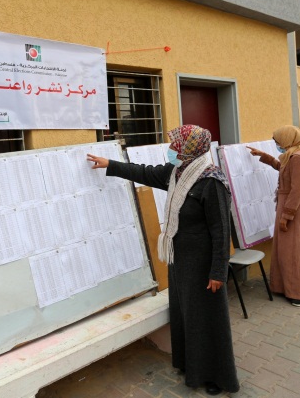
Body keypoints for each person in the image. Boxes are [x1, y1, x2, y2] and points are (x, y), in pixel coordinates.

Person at [86, 125, 239, 396]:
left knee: (206, 319)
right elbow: (144, 172)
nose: (171, 150)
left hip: (203, 265)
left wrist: (218, 271)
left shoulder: (211, 181)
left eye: (175, 146)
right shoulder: (177, 173)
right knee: (185, 315)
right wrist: (110, 164)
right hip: (180, 261)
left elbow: (221, 232)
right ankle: (189, 364)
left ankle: (216, 375)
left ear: (189, 149)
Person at [247, 126, 300, 307]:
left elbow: (297, 190)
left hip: (295, 210)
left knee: (298, 252)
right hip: (289, 207)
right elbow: (283, 170)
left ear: (287, 139)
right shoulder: (292, 156)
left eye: (277, 141)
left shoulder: (298, 158)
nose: (276, 144)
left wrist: (286, 216)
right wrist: (264, 156)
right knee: (288, 251)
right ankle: (289, 287)